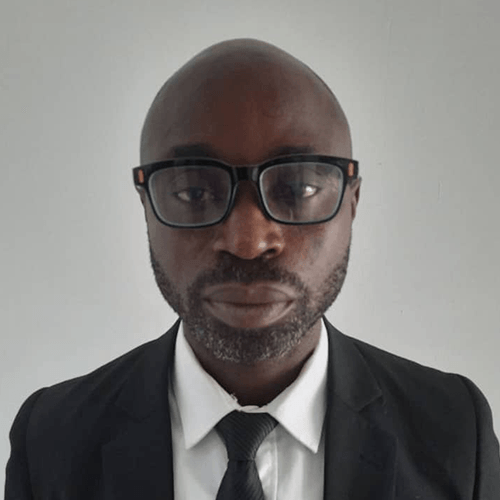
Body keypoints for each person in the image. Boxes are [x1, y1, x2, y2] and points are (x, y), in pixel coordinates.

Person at [5, 38, 500, 500]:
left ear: (352, 201)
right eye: (194, 191)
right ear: (146, 206)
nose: (248, 241)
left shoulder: (454, 432)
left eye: (298, 188)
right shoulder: (51, 440)